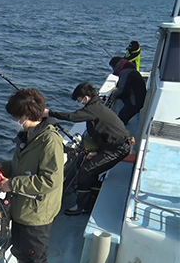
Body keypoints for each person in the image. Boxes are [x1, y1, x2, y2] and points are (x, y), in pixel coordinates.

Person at [0, 88, 64, 263]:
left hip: (36, 215)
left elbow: (50, 180)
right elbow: (25, 168)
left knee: (37, 262)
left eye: (16, 116)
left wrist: (12, 184)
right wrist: (6, 167)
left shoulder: (50, 141)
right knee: (22, 253)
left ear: (25, 115)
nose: (14, 120)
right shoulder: (27, 137)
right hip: (22, 210)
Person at [44, 82, 132, 216]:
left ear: (86, 97)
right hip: (111, 146)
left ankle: (82, 206)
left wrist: (49, 113)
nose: (79, 102)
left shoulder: (93, 109)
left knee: (86, 170)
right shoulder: (97, 106)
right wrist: (97, 151)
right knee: (89, 165)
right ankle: (91, 194)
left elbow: (73, 117)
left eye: (79, 99)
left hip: (118, 149)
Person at [109, 56, 147, 124]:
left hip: (135, 103)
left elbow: (123, 90)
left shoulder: (125, 72)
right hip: (140, 99)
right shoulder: (131, 69)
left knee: (119, 120)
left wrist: (114, 96)